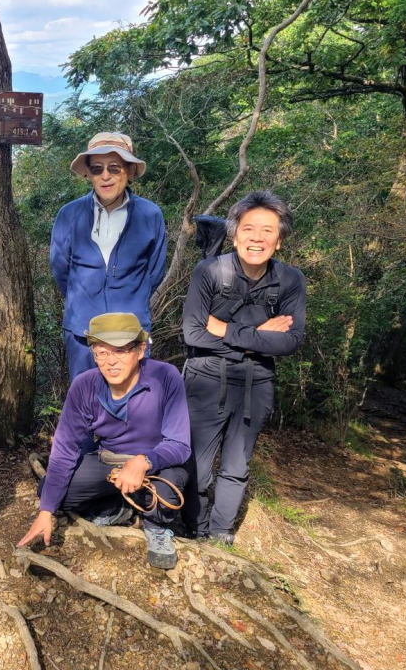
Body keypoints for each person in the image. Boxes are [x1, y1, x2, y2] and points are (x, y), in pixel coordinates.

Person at [18, 313, 191, 570]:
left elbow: (180, 444)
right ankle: (118, 508)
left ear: (140, 350)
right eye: (101, 352)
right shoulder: (85, 385)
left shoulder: (166, 377)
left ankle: (155, 525)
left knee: (168, 495)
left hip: (155, 463)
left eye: (120, 351)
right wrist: (46, 512)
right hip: (109, 461)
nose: (111, 362)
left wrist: (144, 461)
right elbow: (65, 449)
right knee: (50, 493)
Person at [182, 191, 306, 545]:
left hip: (256, 383)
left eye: (267, 231)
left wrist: (224, 330)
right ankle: (194, 528)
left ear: (279, 241)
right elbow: (192, 332)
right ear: (234, 235)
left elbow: (290, 341)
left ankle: (220, 534)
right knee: (197, 467)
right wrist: (258, 336)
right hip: (205, 379)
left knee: (237, 467)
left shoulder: (290, 280)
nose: (257, 238)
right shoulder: (210, 271)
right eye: (249, 229)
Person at [50, 132, 167, 382]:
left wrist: (129, 297)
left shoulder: (149, 215)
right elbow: (60, 269)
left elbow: (155, 271)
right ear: (88, 174)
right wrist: (83, 300)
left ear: (129, 171)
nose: (105, 176)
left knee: (134, 404)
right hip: (83, 330)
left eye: (114, 168)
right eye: (97, 169)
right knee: (85, 401)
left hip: (131, 330)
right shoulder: (69, 215)